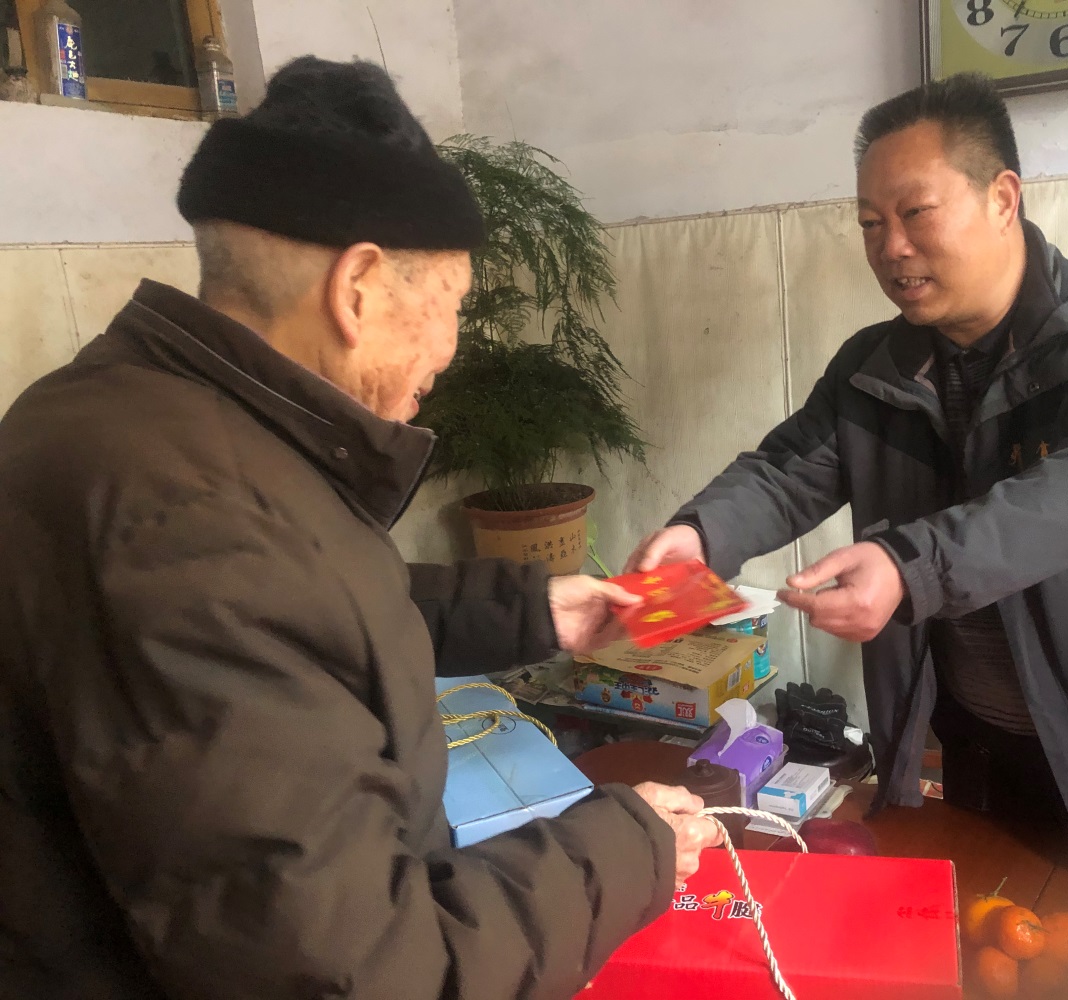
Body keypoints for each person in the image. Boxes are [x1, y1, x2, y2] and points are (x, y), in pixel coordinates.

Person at [0, 57, 719, 1000]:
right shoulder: (192, 527)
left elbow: (305, 601)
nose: (449, 349)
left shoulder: (119, 416)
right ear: (360, 289)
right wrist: (628, 847)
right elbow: (362, 974)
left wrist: (529, 609)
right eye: (451, 305)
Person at [627, 73, 1068, 872]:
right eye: (870, 223)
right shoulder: (872, 364)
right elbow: (787, 471)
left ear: (1002, 198)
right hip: (982, 755)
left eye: (916, 213)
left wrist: (909, 565)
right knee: (991, 938)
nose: (890, 247)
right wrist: (698, 536)